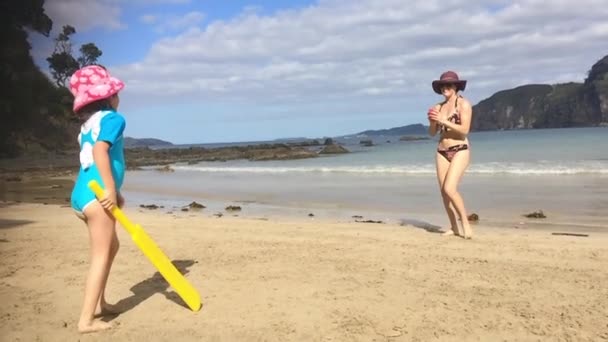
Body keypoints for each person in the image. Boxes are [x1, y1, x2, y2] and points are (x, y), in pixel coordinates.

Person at [69, 65, 126, 333]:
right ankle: (86, 320)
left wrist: (116, 191)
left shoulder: (87, 126)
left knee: (111, 247)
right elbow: (102, 153)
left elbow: (89, 161)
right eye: (115, 92)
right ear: (109, 96)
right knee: (101, 255)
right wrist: (110, 192)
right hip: (98, 196)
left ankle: (101, 304)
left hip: (83, 193)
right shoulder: (114, 119)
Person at [427, 71, 473, 239]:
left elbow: (465, 130)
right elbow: (432, 133)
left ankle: (465, 224)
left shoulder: (463, 105)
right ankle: (454, 227)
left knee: (450, 188)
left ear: (456, 87)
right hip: (441, 150)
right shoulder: (438, 107)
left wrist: (443, 120)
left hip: (460, 149)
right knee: (443, 192)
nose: (445, 88)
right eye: (442, 86)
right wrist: (433, 122)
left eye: (448, 85)